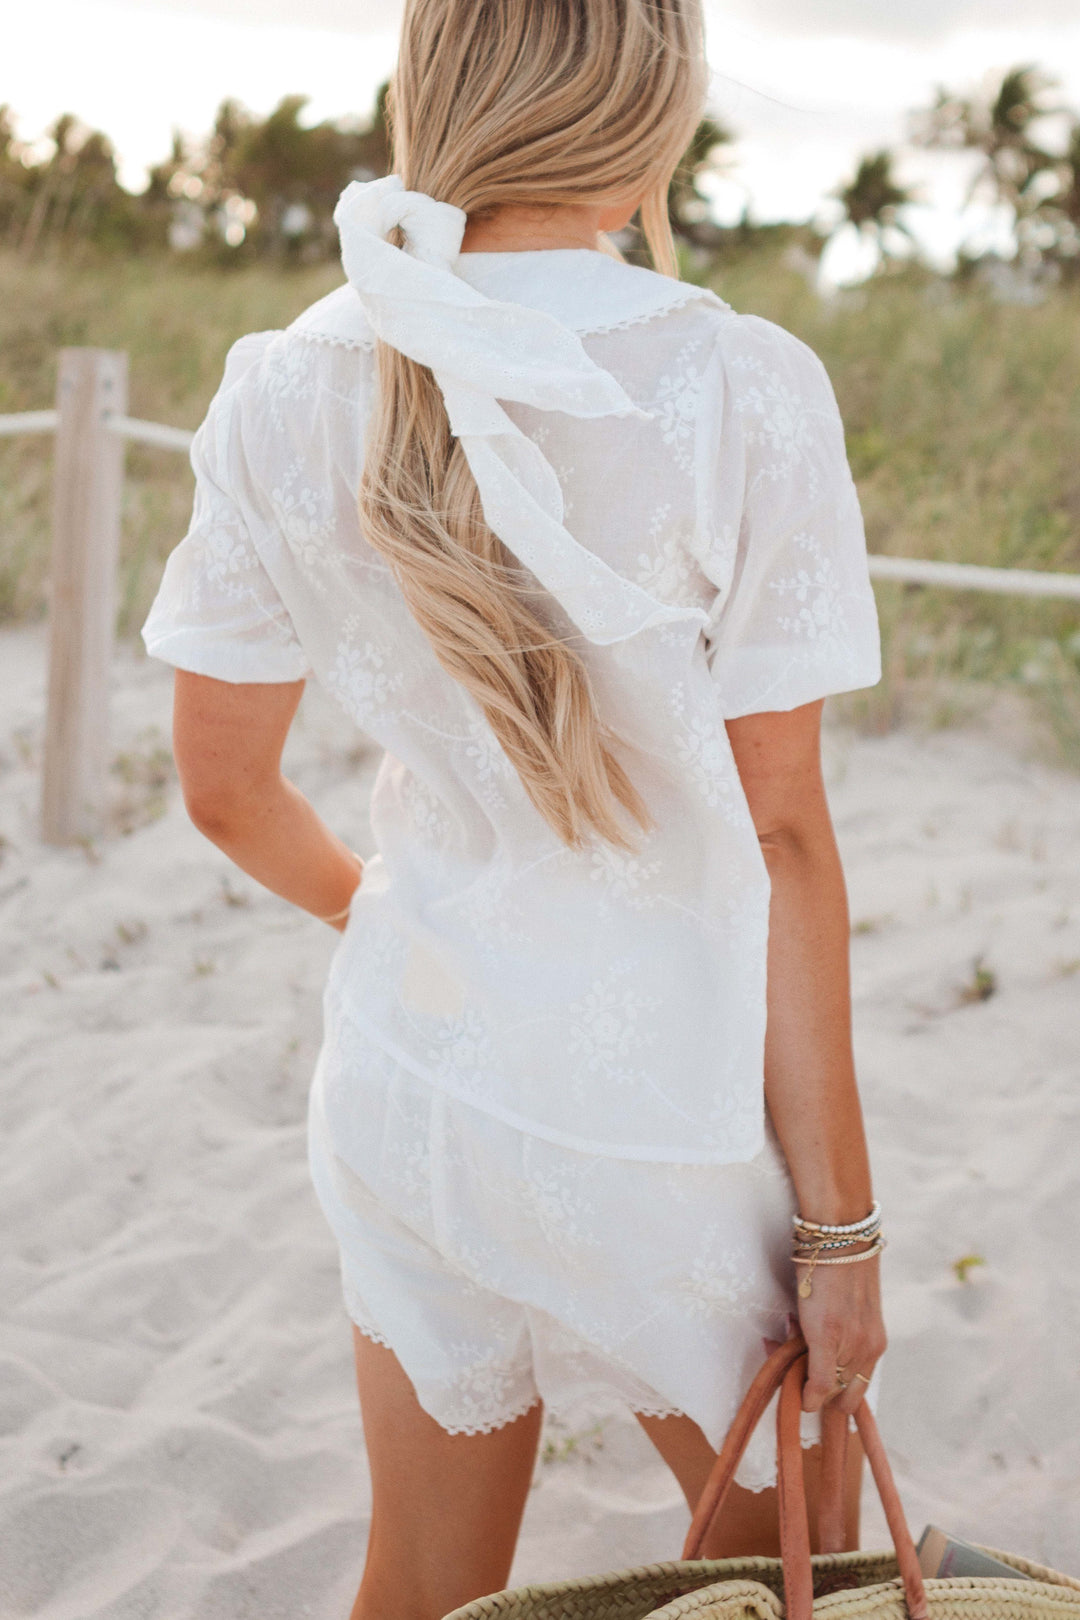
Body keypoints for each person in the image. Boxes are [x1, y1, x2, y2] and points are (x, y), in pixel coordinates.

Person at [140, 2, 888, 1615]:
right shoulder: (736, 383)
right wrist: (840, 1235)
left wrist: (389, 916)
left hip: (411, 1079)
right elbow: (781, 839)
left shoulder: (280, 383)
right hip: (661, 1121)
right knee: (804, 1578)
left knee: (418, 1581)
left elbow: (222, 791)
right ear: (653, 106)